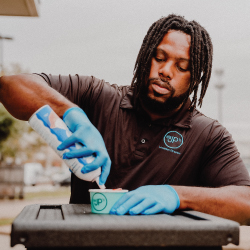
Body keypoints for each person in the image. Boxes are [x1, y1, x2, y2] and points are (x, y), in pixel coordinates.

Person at [1, 14, 250, 223]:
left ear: (195, 77)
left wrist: (176, 195)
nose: (165, 71)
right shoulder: (96, 96)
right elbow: (10, 86)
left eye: (182, 66)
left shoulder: (208, 135)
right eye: (160, 58)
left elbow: (246, 202)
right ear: (145, 56)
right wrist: (72, 113)